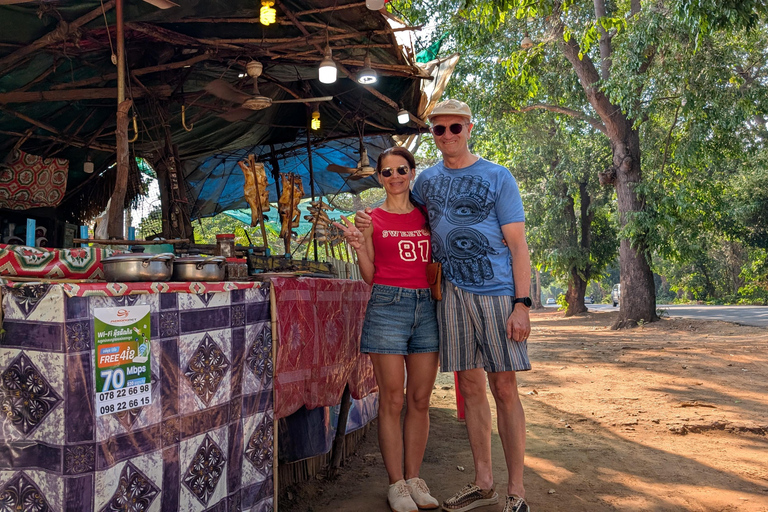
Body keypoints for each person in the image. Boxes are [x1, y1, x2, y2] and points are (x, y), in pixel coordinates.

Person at [356, 99, 532, 512]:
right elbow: (396, 214)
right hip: (448, 294)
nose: (448, 135)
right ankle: (483, 482)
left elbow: (518, 244)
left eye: (455, 127)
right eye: (439, 129)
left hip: (496, 294)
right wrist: (363, 232)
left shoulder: (497, 176)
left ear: (469, 127)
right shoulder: (427, 183)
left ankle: (517, 492)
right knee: (469, 387)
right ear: (432, 135)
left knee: (504, 387)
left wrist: (521, 303)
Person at [334, 146, 441, 512]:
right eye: (387, 172)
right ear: (378, 177)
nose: (394, 177)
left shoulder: (429, 216)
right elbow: (369, 274)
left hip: (428, 307)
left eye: (401, 170)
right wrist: (357, 246)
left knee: (420, 400)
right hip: (387, 307)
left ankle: (414, 479)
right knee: (393, 399)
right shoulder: (370, 219)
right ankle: (396, 484)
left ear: (412, 172)